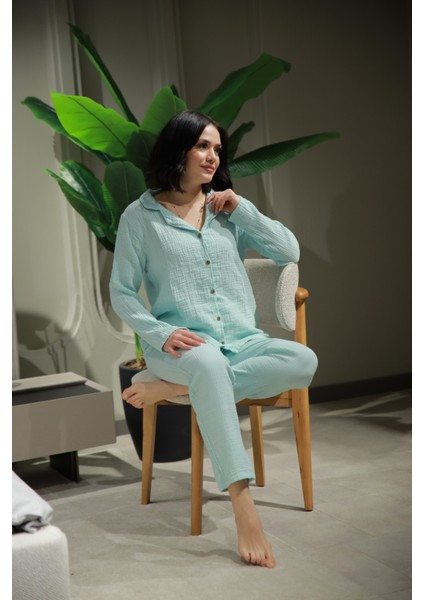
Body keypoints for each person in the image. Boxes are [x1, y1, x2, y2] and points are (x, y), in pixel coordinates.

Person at [109, 110, 318, 568]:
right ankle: (243, 505)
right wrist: (161, 333)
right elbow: (121, 292)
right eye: (202, 146)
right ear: (178, 150)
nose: (212, 157)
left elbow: (288, 251)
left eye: (217, 149)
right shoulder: (139, 217)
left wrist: (243, 208)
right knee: (208, 365)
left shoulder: (226, 210)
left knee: (304, 361)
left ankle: (173, 390)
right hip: (182, 348)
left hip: (242, 341)